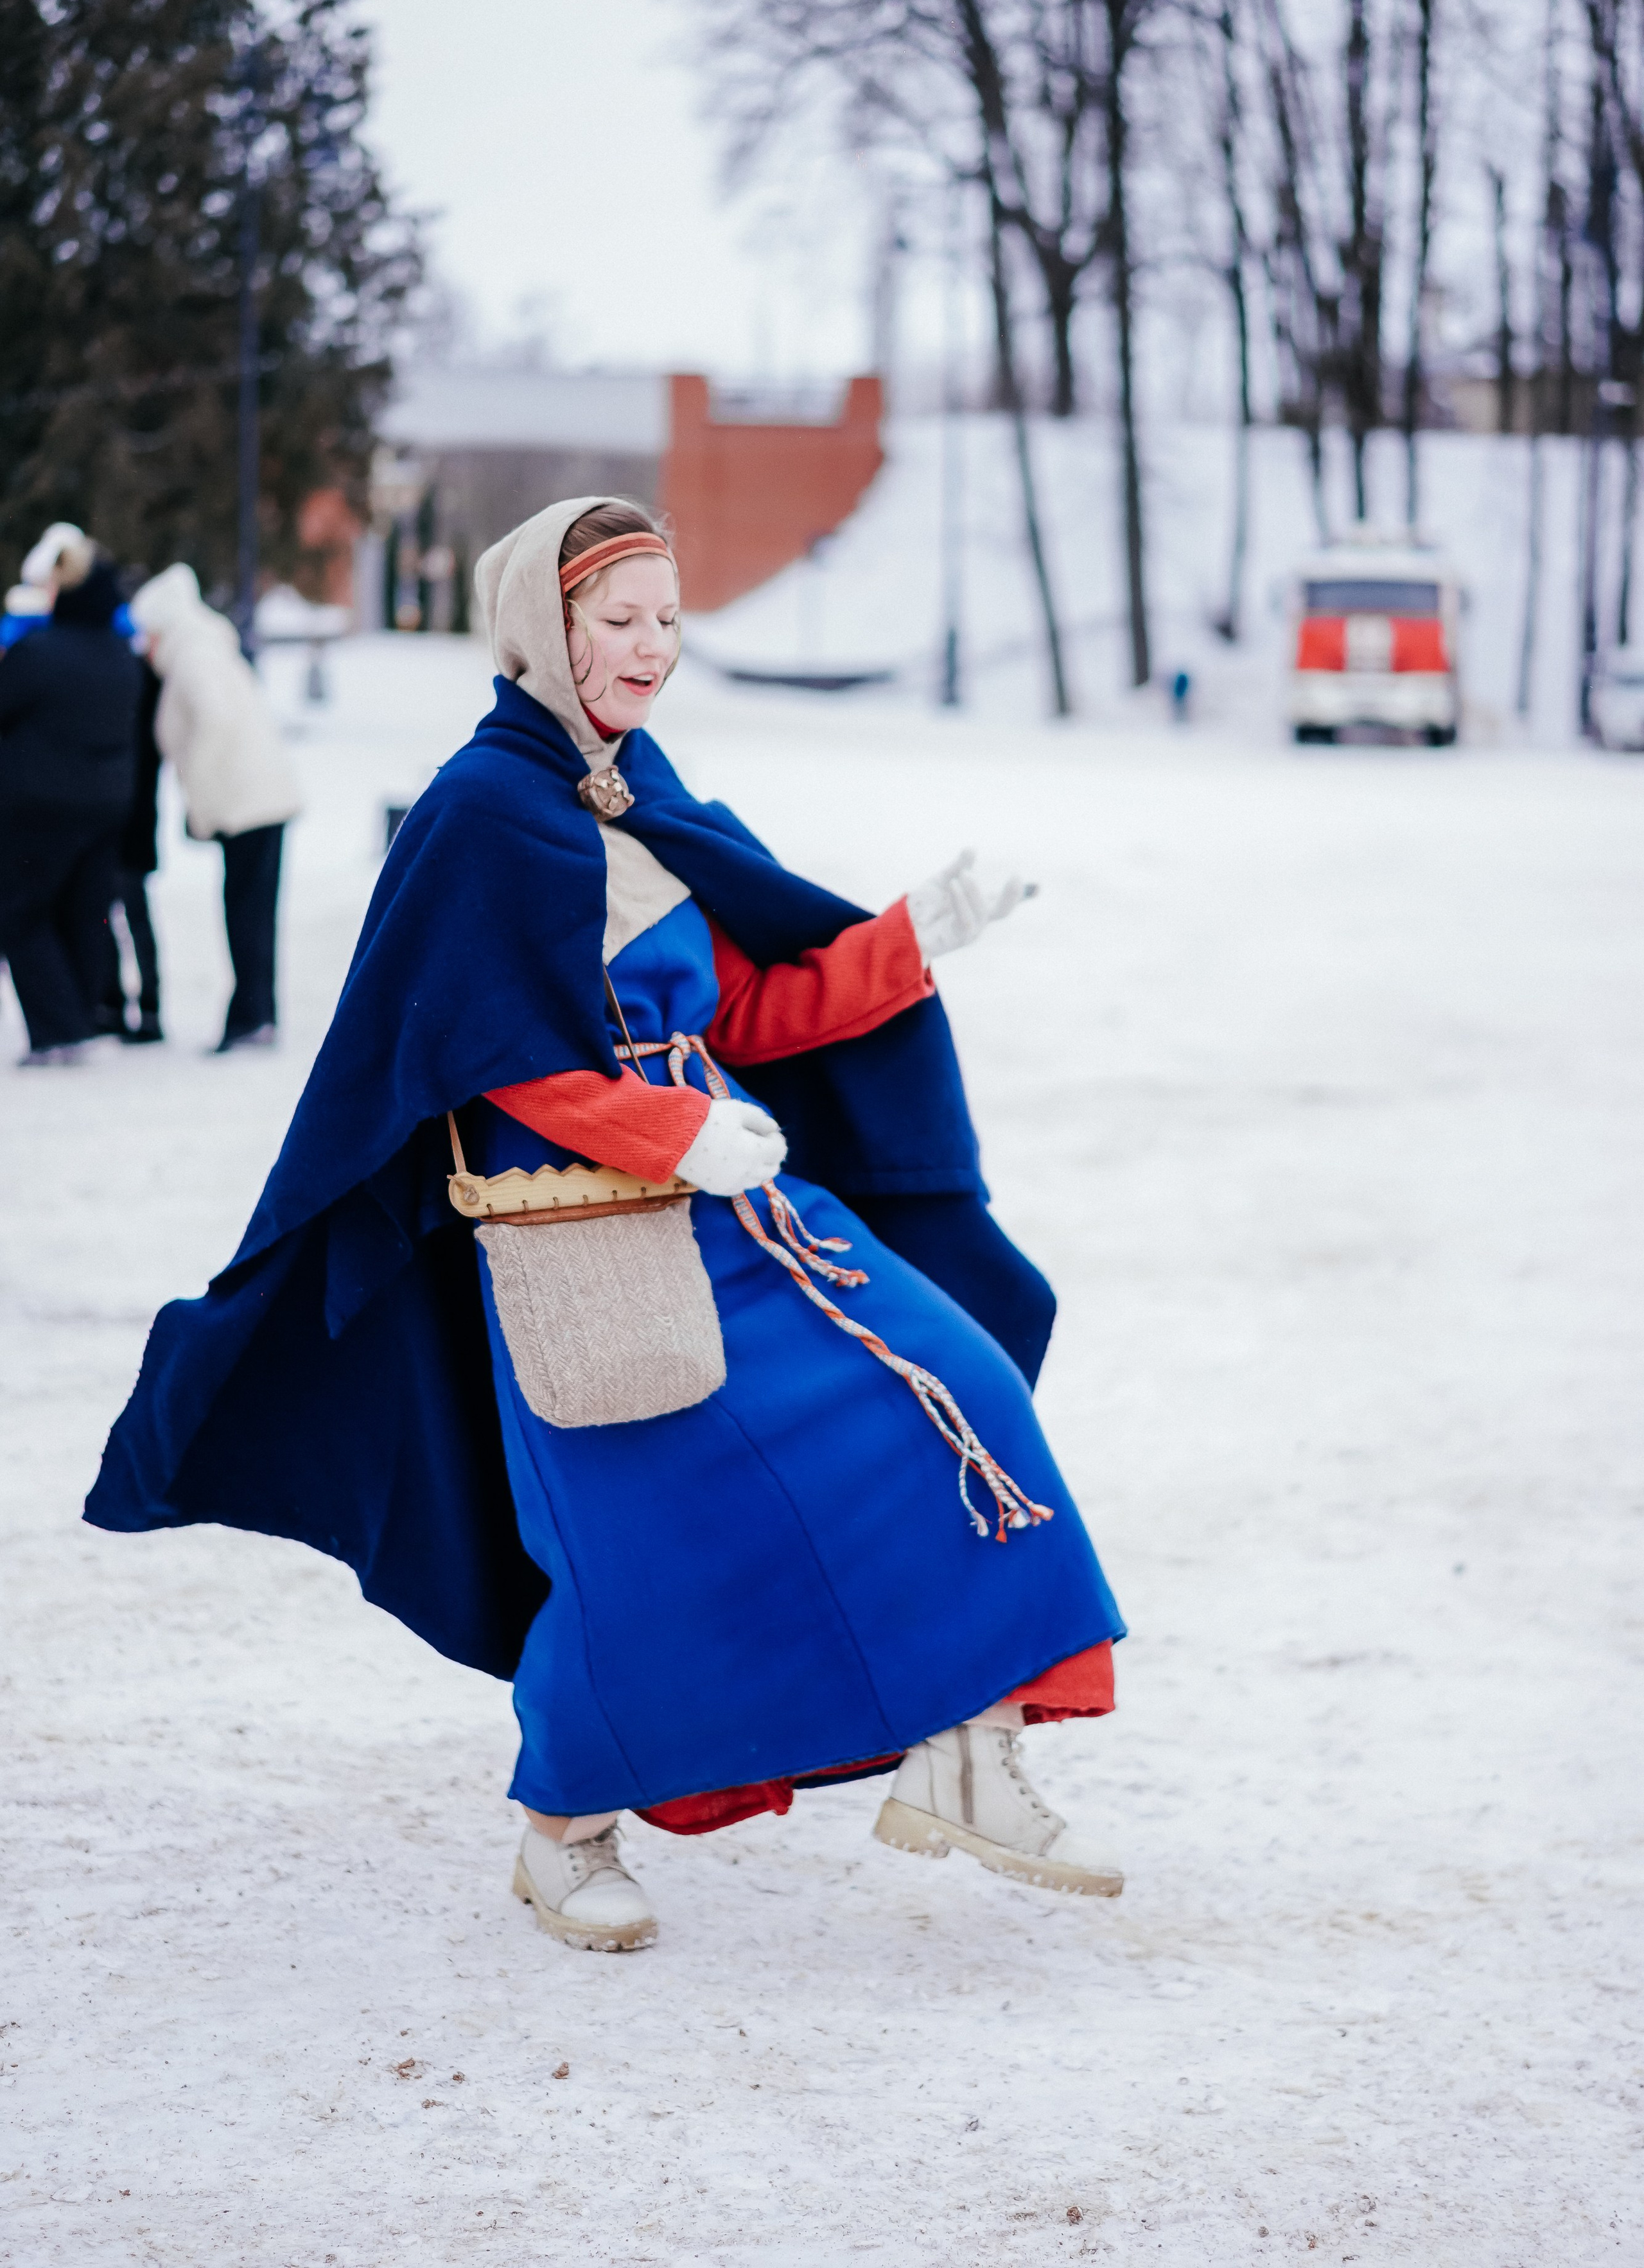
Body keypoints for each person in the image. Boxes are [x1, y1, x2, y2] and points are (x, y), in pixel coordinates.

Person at [89, 497, 1127, 1953]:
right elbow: (481, 1052)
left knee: (959, 1390)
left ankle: (969, 1738)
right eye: (616, 618)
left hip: (751, 1212)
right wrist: (671, 1129)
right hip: (577, 1235)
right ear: (543, 629)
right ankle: (562, 1827)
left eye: (665, 617)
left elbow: (747, 1005)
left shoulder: (637, 792)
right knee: (644, 1541)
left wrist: (906, 934)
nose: (649, 647)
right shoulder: (481, 810)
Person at [130, 565, 302, 1053]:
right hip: (260, 798)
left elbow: (215, 719)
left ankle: (251, 1019)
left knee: (244, 912)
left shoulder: (193, 654)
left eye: (147, 636)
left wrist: (201, 796)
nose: (144, 647)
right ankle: (255, 1015)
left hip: (244, 802)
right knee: (253, 911)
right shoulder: (205, 646)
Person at [0, 529, 139, 1064]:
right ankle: (79, 1020)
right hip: (107, 805)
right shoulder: (119, 655)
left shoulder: (39, 652)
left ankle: (57, 1031)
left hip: (38, 804)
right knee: (84, 914)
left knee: (21, 914)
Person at [96, 647, 164, 1043]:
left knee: (127, 916)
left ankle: (141, 1006)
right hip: (126, 818)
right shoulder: (139, 678)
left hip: (127, 820)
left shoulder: (140, 681)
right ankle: (120, 1003)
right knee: (118, 917)